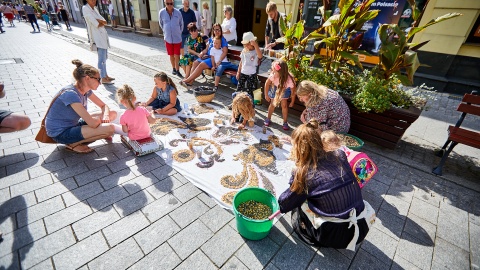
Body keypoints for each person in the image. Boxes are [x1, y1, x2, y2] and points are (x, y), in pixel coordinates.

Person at [278, 119, 374, 250]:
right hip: (362, 223)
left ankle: (309, 230)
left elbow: (285, 203)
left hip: (335, 235)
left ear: (298, 149)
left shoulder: (304, 173)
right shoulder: (339, 154)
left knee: (300, 200)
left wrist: (294, 183)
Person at [45, 60, 117, 154]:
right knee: (110, 129)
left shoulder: (86, 90)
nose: (100, 83)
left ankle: (98, 133)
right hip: (60, 133)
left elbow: (104, 106)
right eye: (98, 79)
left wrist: (106, 116)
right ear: (87, 78)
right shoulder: (71, 94)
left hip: (72, 124)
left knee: (113, 113)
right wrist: (100, 122)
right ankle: (72, 144)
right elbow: (93, 124)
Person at [179, 23, 229, 88]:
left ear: (221, 30)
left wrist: (219, 61)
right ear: (213, 31)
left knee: (201, 65)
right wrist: (202, 53)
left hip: (214, 58)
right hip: (208, 57)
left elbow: (225, 52)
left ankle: (187, 81)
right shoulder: (212, 38)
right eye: (215, 30)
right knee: (195, 63)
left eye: (218, 30)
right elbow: (206, 49)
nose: (217, 31)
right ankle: (190, 82)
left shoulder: (222, 39)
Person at [82, 0, 115, 84]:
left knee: (104, 58)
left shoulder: (95, 9)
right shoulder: (85, 8)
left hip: (103, 37)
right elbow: (95, 23)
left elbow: (104, 21)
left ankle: (105, 75)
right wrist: (99, 21)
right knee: (101, 59)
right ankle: (102, 78)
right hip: (97, 37)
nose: (93, 1)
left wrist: (99, 20)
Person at [264, 59, 296, 130]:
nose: (273, 72)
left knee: (284, 105)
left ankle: (285, 122)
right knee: (272, 104)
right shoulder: (273, 75)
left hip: (284, 89)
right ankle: (268, 118)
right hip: (275, 88)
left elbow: (293, 91)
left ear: (280, 72)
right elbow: (267, 84)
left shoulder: (289, 79)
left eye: (275, 71)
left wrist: (292, 101)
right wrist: (266, 95)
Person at [159, 0, 183, 78]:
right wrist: (166, 31)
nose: (169, 5)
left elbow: (181, 24)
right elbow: (161, 24)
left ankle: (178, 70)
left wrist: (179, 32)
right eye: (167, 3)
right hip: (168, 38)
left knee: (177, 55)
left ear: (173, 3)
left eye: (171, 3)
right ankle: (173, 68)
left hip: (177, 38)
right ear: (165, 3)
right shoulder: (161, 12)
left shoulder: (178, 13)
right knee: (171, 55)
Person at [235, 31, 262, 99]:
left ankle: (250, 105)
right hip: (243, 72)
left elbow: (260, 56)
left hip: (251, 74)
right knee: (239, 89)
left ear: (252, 43)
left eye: (248, 44)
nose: (246, 46)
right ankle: (235, 102)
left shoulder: (256, 50)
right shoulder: (244, 50)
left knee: (249, 91)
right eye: (245, 44)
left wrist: (255, 45)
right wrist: (238, 72)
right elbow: (241, 62)